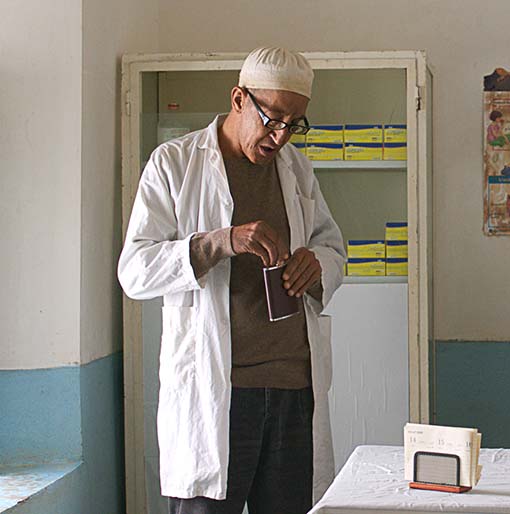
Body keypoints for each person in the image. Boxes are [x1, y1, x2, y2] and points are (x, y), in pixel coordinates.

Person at [118, 47, 346, 513]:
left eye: (294, 123)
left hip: (292, 392)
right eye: (273, 118)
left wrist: (318, 264)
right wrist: (219, 242)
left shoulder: (297, 168)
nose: (281, 136)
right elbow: (135, 271)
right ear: (239, 98)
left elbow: (332, 246)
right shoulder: (175, 163)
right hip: (216, 396)